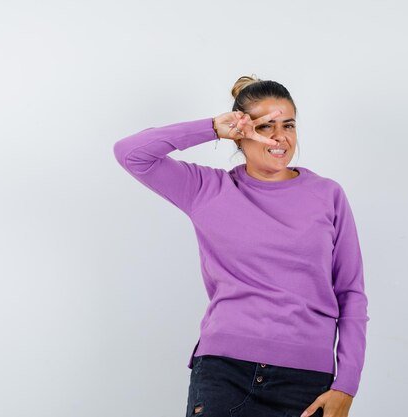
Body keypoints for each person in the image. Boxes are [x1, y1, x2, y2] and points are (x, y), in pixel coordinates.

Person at [113, 75, 369, 417]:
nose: (280, 137)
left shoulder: (327, 195)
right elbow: (131, 154)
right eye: (266, 127)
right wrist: (212, 128)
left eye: (288, 125)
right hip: (224, 374)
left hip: (305, 383)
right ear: (240, 132)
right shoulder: (206, 189)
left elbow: (350, 292)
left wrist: (346, 386)